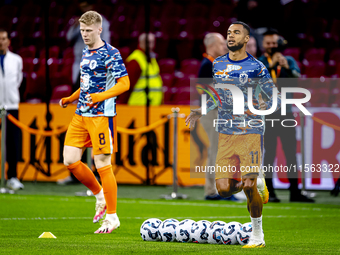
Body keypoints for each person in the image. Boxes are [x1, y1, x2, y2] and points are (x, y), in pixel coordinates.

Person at [186, 21, 279, 248]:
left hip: (250, 131)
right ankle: (256, 183)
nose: (230, 36)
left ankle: (257, 235)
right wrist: (202, 110)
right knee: (224, 189)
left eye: (236, 33)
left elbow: (272, 95)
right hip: (226, 132)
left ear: (246, 39)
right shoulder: (218, 64)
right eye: (228, 33)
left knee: (247, 185)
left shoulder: (257, 67)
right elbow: (218, 95)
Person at [59, 11, 130, 234]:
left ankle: (112, 217)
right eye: (82, 31)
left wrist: (100, 96)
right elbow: (88, 84)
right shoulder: (86, 53)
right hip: (81, 114)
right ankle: (100, 195)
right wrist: (72, 97)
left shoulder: (111, 53)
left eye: (89, 30)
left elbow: (124, 83)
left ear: (100, 29)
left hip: (102, 116)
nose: (85, 34)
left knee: (102, 164)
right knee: (70, 160)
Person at [258, 29, 314, 203]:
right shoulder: (259, 62)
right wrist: (271, 66)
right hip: (268, 114)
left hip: (286, 113)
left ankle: (295, 192)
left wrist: (287, 67)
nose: (272, 46)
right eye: (268, 43)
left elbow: (298, 79)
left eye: (274, 43)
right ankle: (270, 192)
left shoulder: (288, 60)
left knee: (290, 154)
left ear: (279, 43)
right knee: (269, 155)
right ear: (263, 45)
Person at [198, 33, 236, 200]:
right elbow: (203, 90)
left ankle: (217, 189)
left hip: (217, 112)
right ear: (213, 45)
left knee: (219, 151)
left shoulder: (212, 64)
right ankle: (214, 190)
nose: (225, 47)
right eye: (222, 44)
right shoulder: (208, 65)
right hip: (213, 112)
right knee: (217, 151)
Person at [66, 0, 110, 88]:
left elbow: (106, 41)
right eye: (82, 7)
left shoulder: (101, 21)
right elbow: (69, 37)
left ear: (92, 6)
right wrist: (75, 26)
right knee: (77, 88)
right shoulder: (80, 21)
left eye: (86, 6)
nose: (84, 9)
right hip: (78, 61)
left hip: (93, 61)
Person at [0, 28, 24, 190]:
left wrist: (11, 97)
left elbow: (19, 80)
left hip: (11, 107)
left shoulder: (16, 60)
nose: (1, 41)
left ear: (8, 40)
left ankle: (13, 177)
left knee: (12, 143)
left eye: (3, 38)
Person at [124, 33, 163, 106]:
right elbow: (126, 86)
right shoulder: (135, 60)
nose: (150, 45)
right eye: (148, 42)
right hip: (138, 106)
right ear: (141, 42)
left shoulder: (152, 59)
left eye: (152, 42)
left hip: (154, 105)